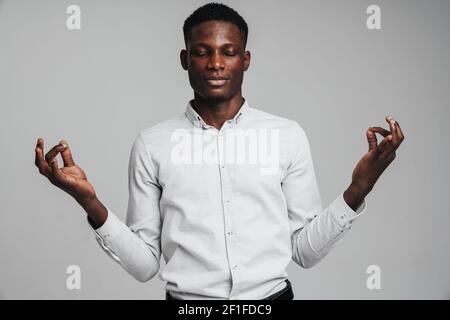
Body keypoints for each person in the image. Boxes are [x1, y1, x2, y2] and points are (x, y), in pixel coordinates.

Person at [34, 3, 404, 300]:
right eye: (202, 52)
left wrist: (359, 188)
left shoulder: (286, 135)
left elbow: (304, 252)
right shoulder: (152, 144)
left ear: (245, 59)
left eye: (228, 52)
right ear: (185, 59)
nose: (215, 64)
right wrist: (89, 202)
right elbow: (145, 265)